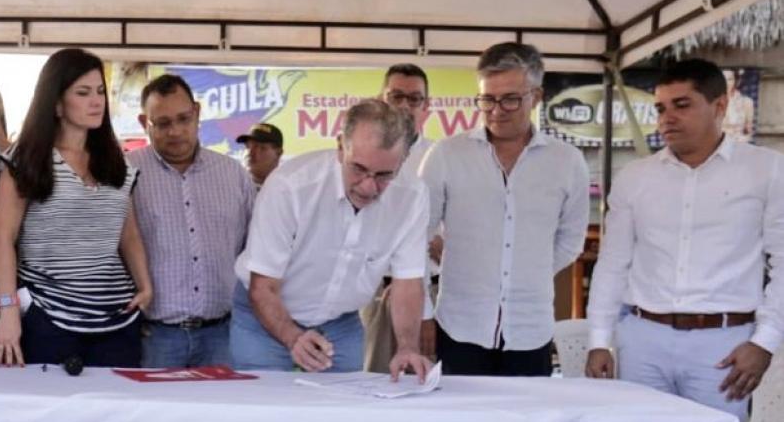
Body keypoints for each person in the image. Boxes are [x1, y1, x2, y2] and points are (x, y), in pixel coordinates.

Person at [586, 58, 781, 422]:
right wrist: (600, 339)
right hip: (643, 338)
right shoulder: (637, 178)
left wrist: (765, 341)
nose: (666, 118)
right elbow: (612, 264)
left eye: (681, 105)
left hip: (723, 347)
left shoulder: (767, 170)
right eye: (660, 108)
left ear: (720, 106)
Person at [229, 99, 431, 379]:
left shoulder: (413, 196)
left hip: (341, 322)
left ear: (404, 160)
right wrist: (292, 338)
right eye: (358, 169)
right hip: (263, 317)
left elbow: (407, 282)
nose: (369, 187)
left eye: (385, 175)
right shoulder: (290, 186)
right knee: (265, 410)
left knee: (343, 414)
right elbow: (263, 287)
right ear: (340, 148)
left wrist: (408, 347)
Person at [420, 42, 588, 376]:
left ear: (536, 97)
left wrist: (528, 269)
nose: (497, 110)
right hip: (458, 327)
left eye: (510, 98)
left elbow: (570, 241)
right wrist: (423, 314)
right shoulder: (447, 155)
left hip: (531, 329)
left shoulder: (567, 161)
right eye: (487, 99)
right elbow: (415, 236)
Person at [0, 48, 153, 368]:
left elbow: (128, 232)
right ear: (56, 102)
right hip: (49, 318)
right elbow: (1, 238)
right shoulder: (25, 160)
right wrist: (8, 311)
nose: (97, 101)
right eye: (83, 92)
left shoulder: (115, 160)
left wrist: (145, 285)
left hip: (117, 318)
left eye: (100, 92)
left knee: (117, 415)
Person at [129, 74, 254, 368]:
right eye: (163, 123)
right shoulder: (127, 175)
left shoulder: (233, 175)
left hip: (222, 335)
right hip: (153, 336)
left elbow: (255, 252)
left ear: (197, 113)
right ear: (143, 122)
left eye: (184, 119)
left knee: (220, 413)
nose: (175, 131)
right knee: (155, 414)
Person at [364, 63, 440, 372]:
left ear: (427, 106)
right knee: (374, 383)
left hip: (431, 293)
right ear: (380, 99)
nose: (406, 106)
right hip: (374, 289)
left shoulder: (440, 157)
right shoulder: (361, 155)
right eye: (397, 97)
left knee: (425, 386)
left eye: (415, 99)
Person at [236, 121, 283, 186]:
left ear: (278, 153)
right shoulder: (231, 186)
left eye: (262, 148)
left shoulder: (289, 189)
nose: (250, 152)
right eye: (248, 146)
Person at [721, 68, 754, 143]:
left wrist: (744, 139)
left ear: (736, 81)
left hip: (739, 144)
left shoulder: (746, 102)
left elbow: (749, 131)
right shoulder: (711, 102)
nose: (726, 83)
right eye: (723, 79)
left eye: (729, 79)